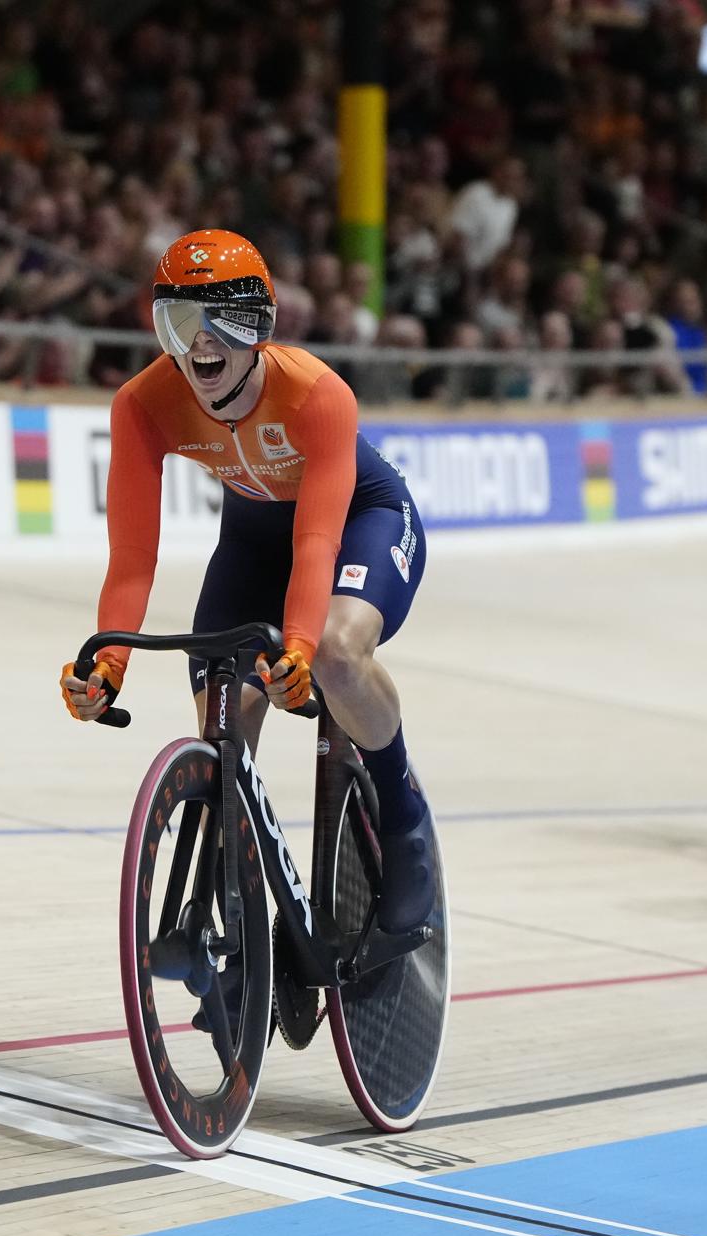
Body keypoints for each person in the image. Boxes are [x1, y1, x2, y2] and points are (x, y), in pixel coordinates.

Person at [59, 229, 439, 939]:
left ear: (258, 324)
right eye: (176, 322)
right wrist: (108, 664)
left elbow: (317, 542)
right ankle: (239, 920)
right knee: (225, 725)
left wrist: (297, 645)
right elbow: (134, 558)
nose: (198, 345)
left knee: (333, 651)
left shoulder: (317, 394)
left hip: (362, 520)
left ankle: (403, 807)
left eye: (218, 323)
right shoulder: (143, 406)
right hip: (254, 539)